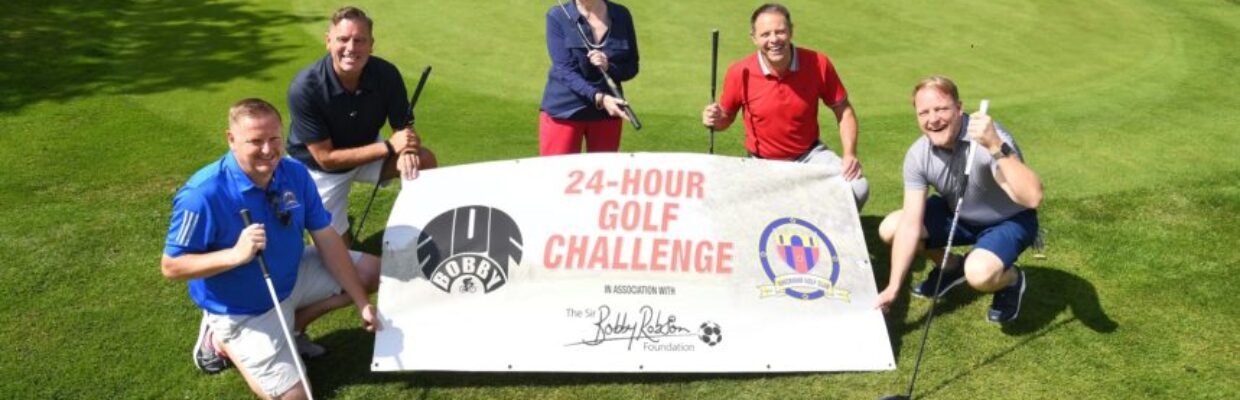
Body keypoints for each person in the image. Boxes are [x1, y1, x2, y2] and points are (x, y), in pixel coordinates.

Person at [161, 99, 380, 399]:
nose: (268, 150)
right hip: (243, 309)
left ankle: (291, 329)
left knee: (371, 273)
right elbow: (171, 266)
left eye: (274, 138)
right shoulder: (201, 194)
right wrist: (235, 254)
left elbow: (326, 237)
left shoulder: (294, 173)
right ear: (231, 139)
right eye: (256, 141)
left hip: (292, 276)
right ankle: (218, 340)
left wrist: (361, 302)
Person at [874, 76, 1043, 324]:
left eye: (941, 109)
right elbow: (910, 224)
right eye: (924, 113)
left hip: (1009, 219)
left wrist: (995, 146)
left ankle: (1012, 279)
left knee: (979, 273)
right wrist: (893, 287)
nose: (933, 119)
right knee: (891, 228)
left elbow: (1032, 197)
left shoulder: (990, 139)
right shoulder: (918, 154)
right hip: (959, 214)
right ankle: (951, 268)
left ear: (959, 108)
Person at [287, 6, 437, 243]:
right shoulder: (305, 88)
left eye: (359, 40)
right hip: (321, 171)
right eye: (343, 39)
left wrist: (407, 149)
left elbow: (402, 126)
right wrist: (390, 147)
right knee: (339, 256)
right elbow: (325, 158)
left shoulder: (386, 74)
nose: (351, 48)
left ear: (371, 44)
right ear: (328, 42)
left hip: (368, 151)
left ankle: (422, 230)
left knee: (423, 160)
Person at [702, 3, 868, 209]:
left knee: (857, 187)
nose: (774, 40)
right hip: (760, 162)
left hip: (809, 156)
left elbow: (844, 111)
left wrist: (849, 154)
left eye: (780, 31)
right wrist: (714, 119)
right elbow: (724, 120)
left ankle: (819, 224)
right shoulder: (739, 71)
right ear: (754, 38)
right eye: (765, 34)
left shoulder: (818, 63)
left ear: (791, 31)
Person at [539, 0, 639, 155]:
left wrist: (608, 66)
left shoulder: (621, 15)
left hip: (608, 112)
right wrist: (600, 98)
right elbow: (565, 70)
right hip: (566, 110)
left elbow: (631, 67)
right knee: (558, 169)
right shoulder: (557, 15)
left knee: (604, 169)